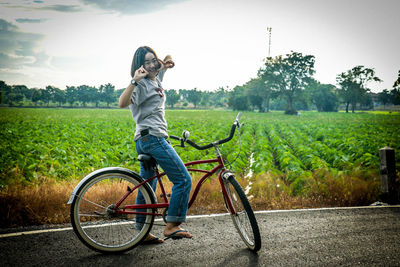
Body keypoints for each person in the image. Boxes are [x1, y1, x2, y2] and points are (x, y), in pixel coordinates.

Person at [119, 46, 193, 243]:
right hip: (152, 139)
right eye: (147, 62)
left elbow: (166, 60)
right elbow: (122, 102)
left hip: (145, 139)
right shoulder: (141, 84)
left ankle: (142, 233)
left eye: (154, 60)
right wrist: (134, 80)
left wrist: (166, 62)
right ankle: (172, 226)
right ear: (140, 67)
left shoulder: (156, 80)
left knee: (148, 187)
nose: (152, 65)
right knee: (183, 180)